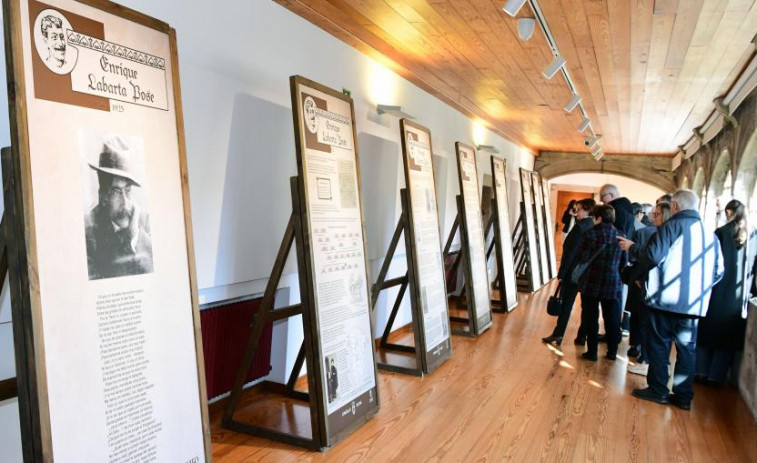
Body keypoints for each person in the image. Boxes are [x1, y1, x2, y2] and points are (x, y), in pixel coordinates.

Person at [619, 189, 724, 410]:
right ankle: (684, 397)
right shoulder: (709, 233)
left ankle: (658, 390)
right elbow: (718, 271)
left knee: (659, 346)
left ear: (675, 206)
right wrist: (700, 289)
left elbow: (653, 256)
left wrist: (633, 249)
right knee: (687, 350)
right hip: (694, 304)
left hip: (665, 300)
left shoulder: (671, 226)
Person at [696, 199, 757, 385]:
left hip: (716, 293)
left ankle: (700, 372)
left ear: (729, 212)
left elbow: (711, 264)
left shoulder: (721, 233)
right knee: (726, 341)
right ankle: (716, 376)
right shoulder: (753, 236)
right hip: (739, 299)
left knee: (706, 336)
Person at [85, 136, 153, 280]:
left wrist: (135, 236)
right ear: (103, 197)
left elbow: (156, 274)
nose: (125, 203)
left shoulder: (144, 221)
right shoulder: (88, 231)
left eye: (128, 191)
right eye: (116, 191)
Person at [576, 204, 627, 361]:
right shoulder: (620, 235)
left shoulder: (590, 234)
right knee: (612, 319)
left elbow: (582, 257)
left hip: (591, 282)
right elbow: (624, 262)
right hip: (612, 283)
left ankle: (591, 352)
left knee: (591, 318)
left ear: (597, 217)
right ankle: (612, 352)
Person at [542, 198, 596, 346]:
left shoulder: (580, 228)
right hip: (585, 272)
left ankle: (558, 333)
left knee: (566, 304)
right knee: (586, 308)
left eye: (579, 209)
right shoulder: (591, 225)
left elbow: (570, 253)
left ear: (587, 210)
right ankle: (581, 336)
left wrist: (561, 273)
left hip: (572, 272)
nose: (576, 212)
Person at [625, 202, 671, 376]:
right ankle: (646, 360)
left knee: (647, 325)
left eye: (657, 214)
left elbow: (650, 258)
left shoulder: (659, 234)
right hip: (653, 286)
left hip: (652, 286)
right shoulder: (659, 233)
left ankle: (645, 360)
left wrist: (640, 278)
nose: (653, 217)